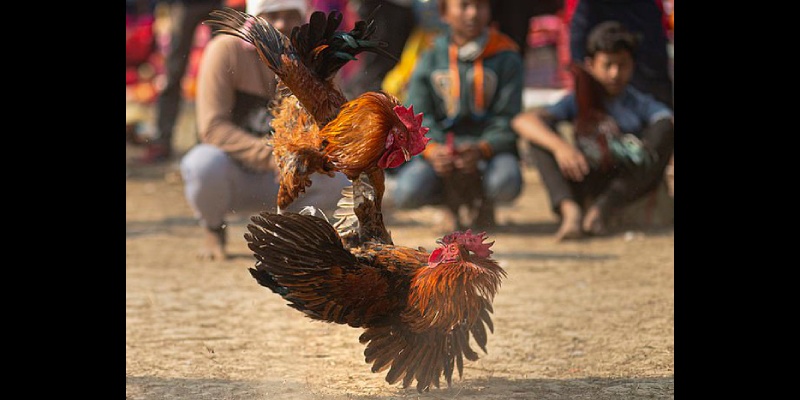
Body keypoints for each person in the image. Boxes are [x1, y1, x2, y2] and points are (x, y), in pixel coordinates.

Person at [179, 0, 351, 260]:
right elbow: (212, 128)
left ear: (302, 19)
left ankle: (293, 234)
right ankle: (214, 227)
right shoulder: (225, 50)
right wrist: (272, 156)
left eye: (289, 14)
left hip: (291, 178)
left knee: (338, 177)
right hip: (237, 172)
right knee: (201, 164)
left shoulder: (315, 58)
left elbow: (332, 124)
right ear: (254, 18)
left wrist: (305, 156)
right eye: (272, 15)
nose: (281, 23)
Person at [511, 20, 674, 241]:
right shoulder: (577, 100)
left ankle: (602, 210)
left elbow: (666, 121)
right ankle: (571, 212)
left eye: (622, 65)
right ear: (590, 65)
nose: (615, 73)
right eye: (607, 65)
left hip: (623, 185)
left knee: (664, 131)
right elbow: (523, 121)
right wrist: (561, 148)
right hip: (584, 176)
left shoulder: (639, 103)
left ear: (632, 66)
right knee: (541, 137)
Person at [389, 0, 525, 229]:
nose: (473, 14)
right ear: (444, 12)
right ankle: (448, 205)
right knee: (406, 192)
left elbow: (508, 118)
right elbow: (415, 115)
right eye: (463, 6)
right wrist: (433, 151)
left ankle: (483, 204)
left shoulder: (506, 55)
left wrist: (483, 148)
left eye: (480, 6)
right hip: (441, 151)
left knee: (506, 182)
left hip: (487, 153)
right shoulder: (430, 55)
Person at [142, 0, 224, 164]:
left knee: (220, 70)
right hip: (185, 4)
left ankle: (210, 139)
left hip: (214, 4)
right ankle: (162, 141)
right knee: (173, 72)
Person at [568, 0, 673, 109]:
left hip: (645, 76)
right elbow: (579, 45)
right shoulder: (590, 5)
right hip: (599, 89)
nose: (615, 74)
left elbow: (653, 48)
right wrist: (584, 81)